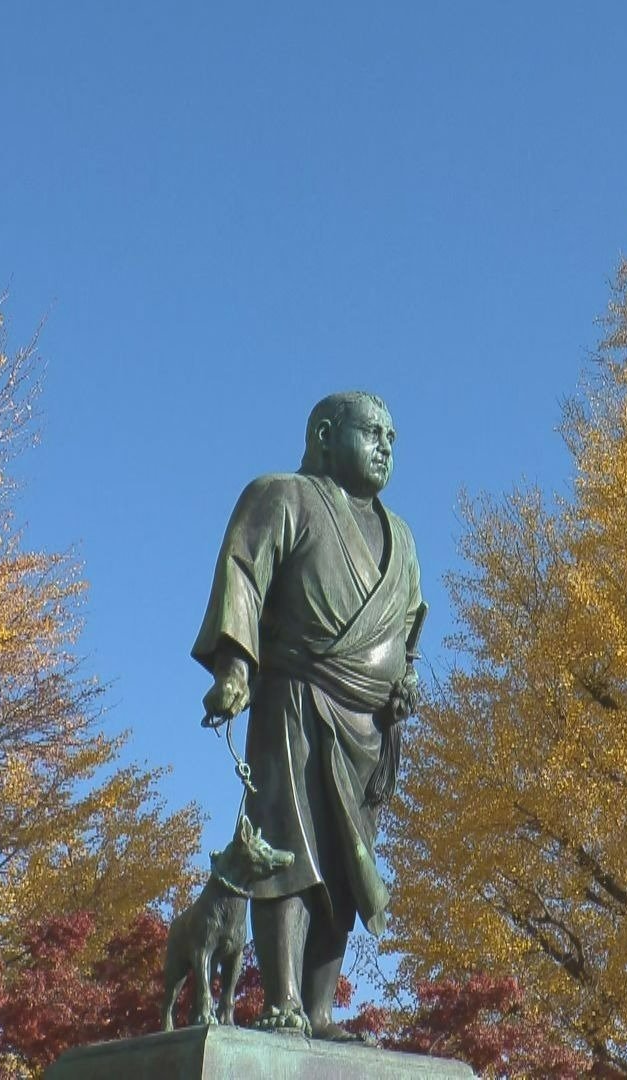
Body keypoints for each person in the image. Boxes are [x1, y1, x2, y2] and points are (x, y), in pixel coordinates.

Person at [192, 390, 424, 1040]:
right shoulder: (282, 496)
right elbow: (244, 572)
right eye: (372, 432)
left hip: (369, 726)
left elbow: (408, 626)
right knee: (288, 848)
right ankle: (282, 1000)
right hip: (294, 697)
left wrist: (406, 679)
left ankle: (320, 1010)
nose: (385, 446)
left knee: (349, 865)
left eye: (393, 438)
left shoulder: (400, 537)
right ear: (325, 434)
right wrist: (236, 668)